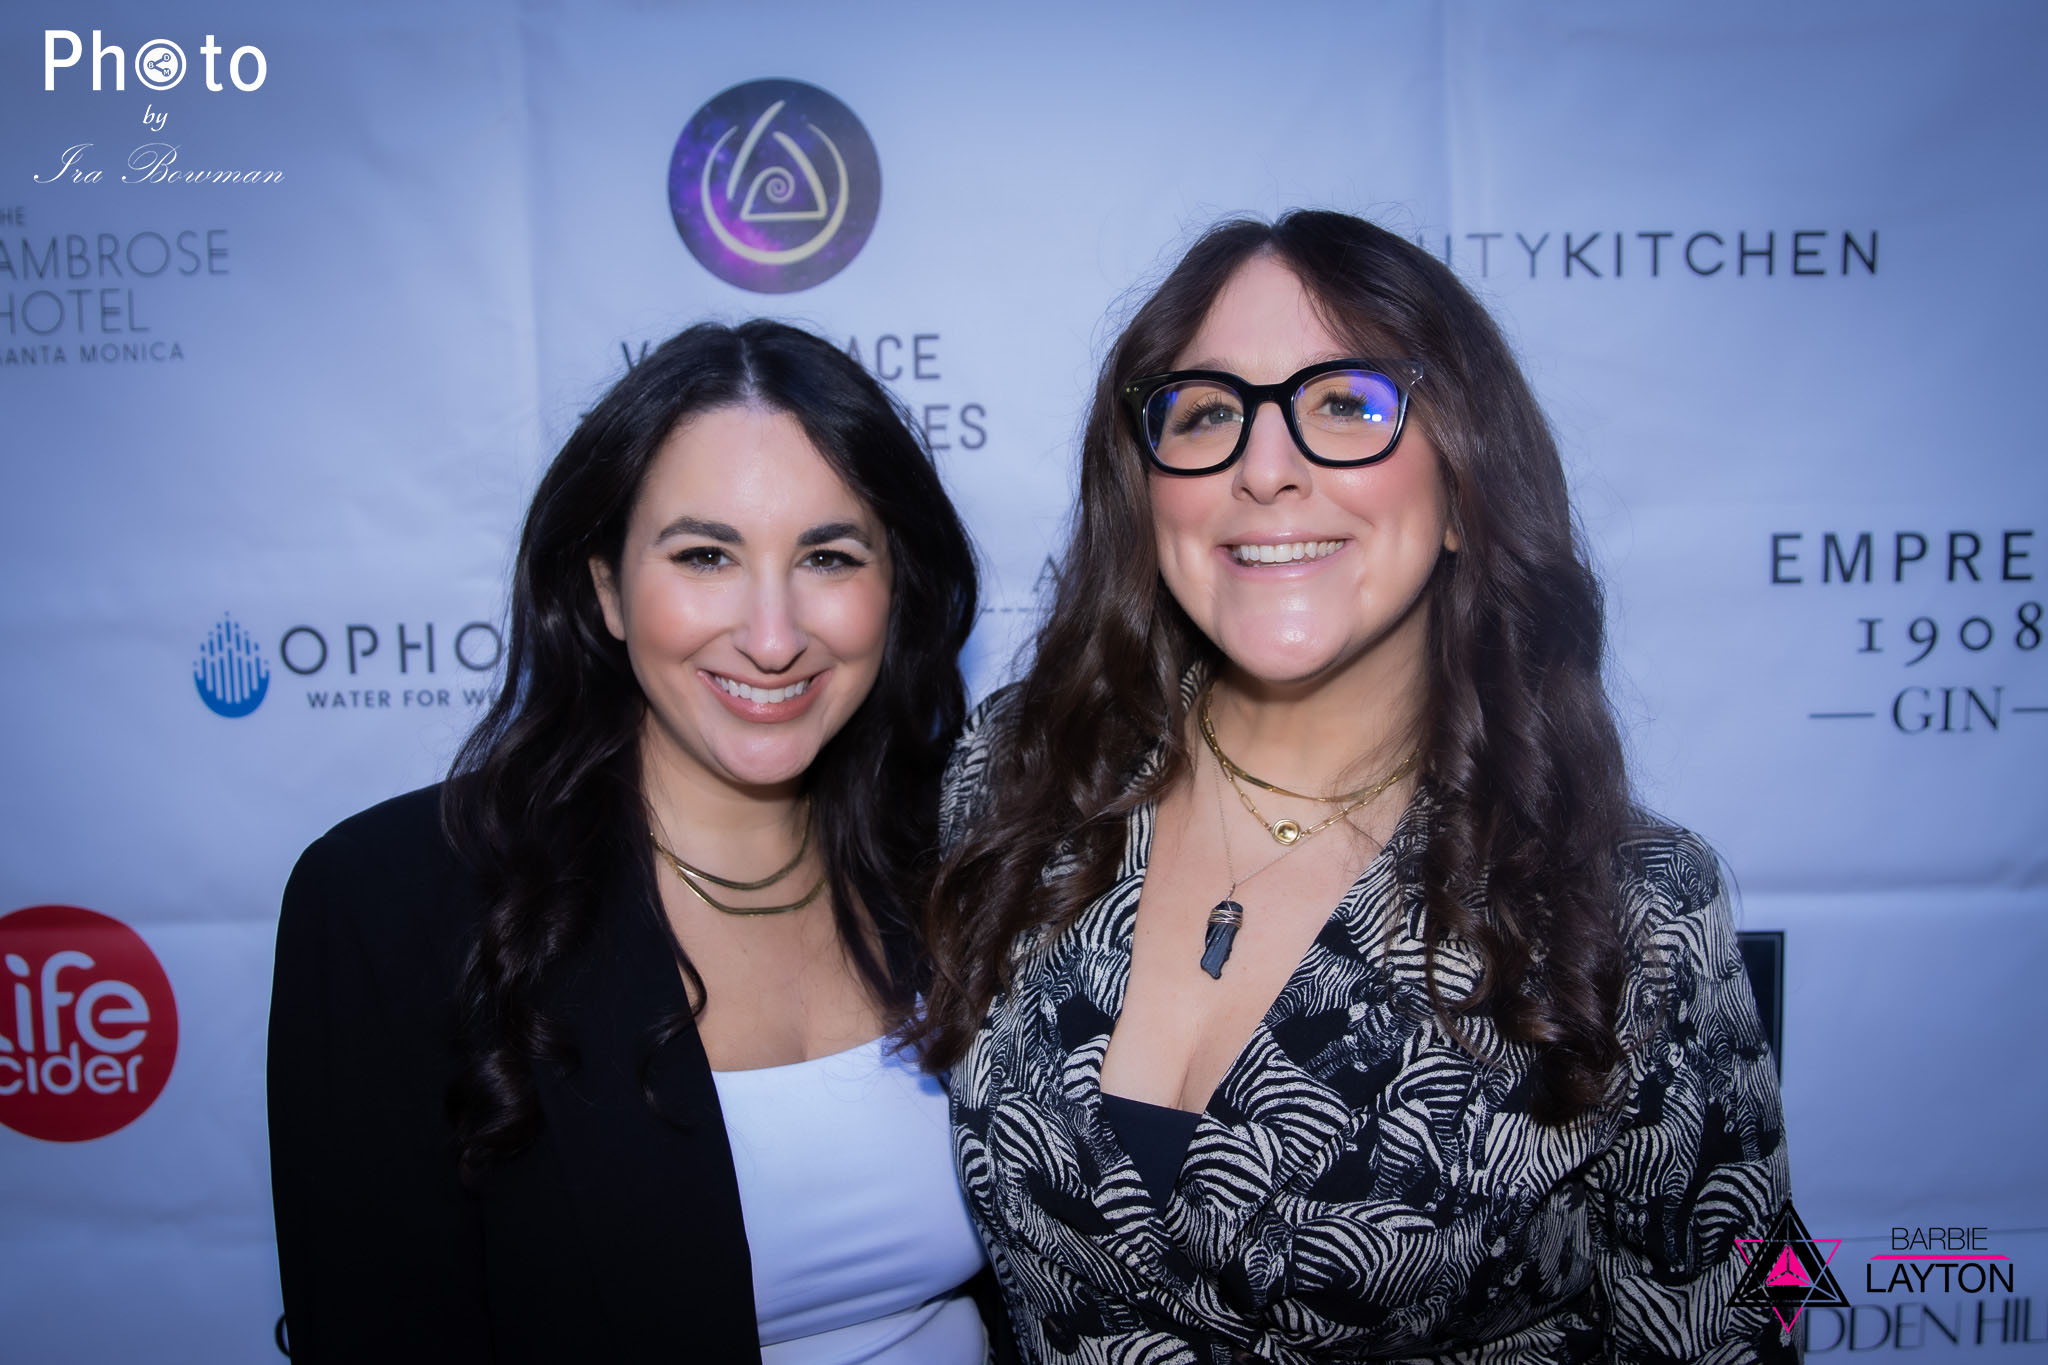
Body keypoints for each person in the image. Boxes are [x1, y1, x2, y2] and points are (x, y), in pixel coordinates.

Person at [917, 212, 1794, 1363]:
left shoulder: (1635, 902)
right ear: (1146, 489)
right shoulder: (1018, 777)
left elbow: (1750, 1312)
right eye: (1206, 412)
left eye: (1345, 403)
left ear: (1464, 485)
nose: (1262, 467)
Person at [269, 320, 995, 1363]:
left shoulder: (976, 857)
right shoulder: (395, 902)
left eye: (829, 556)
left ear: (897, 587)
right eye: (705, 555)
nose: (773, 635)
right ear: (605, 586)